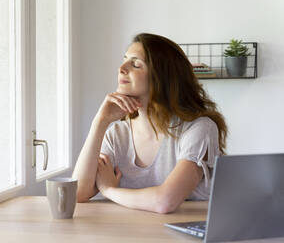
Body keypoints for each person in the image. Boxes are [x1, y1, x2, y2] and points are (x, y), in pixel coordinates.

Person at [72, 33, 228, 214]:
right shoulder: (117, 134)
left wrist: (109, 190)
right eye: (124, 60)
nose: (121, 68)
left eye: (136, 64)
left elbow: (165, 202)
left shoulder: (199, 129)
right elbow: (78, 193)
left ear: (162, 78)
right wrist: (99, 122)